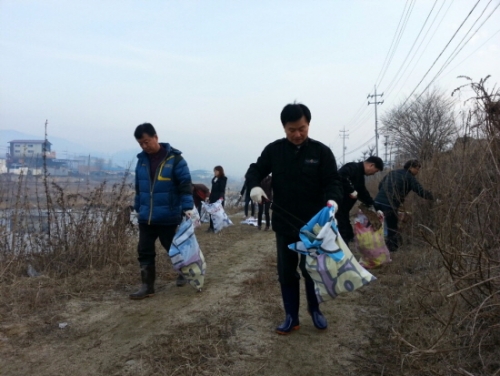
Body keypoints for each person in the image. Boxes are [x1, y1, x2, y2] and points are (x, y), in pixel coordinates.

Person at [245, 103, 343, 334]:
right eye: (291, 130)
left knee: (312, 269)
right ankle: (291, 316)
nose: (297, 134)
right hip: (284, 223)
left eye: (302, 128)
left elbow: (333, 181)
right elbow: (255, 170)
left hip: (314, 226)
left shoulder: (321, 152)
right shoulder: (274, 151)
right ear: (284, 128)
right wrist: (255, 187)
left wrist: (333, 201)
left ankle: (315, 310)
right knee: (286, 271)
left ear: (308, 125)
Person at [130, 123, 194, 300]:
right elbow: (139, 186)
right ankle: (147, 286)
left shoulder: (175, 159)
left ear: (156, 137)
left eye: (147, 142)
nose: (144, 146)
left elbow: (185, 185)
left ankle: (183, 272)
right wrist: (137, 206)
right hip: (146, 216)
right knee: (144, 250)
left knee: (172, 249)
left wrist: (187, 207)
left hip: (167, 215)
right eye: (140, 143)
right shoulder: (141, 160)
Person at [374, 159, 434, 252]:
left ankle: (372, 246)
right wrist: (434, 197)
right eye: (417, 169)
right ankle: (392, 249)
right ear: (411, 167)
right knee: (392, 227)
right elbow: (420, 191)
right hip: (390, 205)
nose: (418, 171)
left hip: (377, 202)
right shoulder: (410, 177)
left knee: (376, 225)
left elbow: (380, 184)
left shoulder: (393, 172)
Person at [335, 156, 384, 243]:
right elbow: (340, 176)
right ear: (371, 165)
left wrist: (375, 207)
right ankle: (342, 253)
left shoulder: (360, 176)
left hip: (344, 211)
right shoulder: (352, 167)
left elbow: (362, 192)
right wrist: (351, 190)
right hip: (337, 207)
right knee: (343, 232)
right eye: (376, 171)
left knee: (348, 233)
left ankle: (346, 249)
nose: (374, 174)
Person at [207, 165, 227, 232]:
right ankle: (211, 227)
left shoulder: (223, 179)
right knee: (211, 212)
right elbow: (212, 189)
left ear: (219, 171)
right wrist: (210, 197)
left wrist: (221, 198)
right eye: (214, 171)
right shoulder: (214, 178)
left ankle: (218, 227)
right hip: (213, 197)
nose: (214, 172)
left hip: (219, 198)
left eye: (216, 171)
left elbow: (222, 189)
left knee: (218, 213)